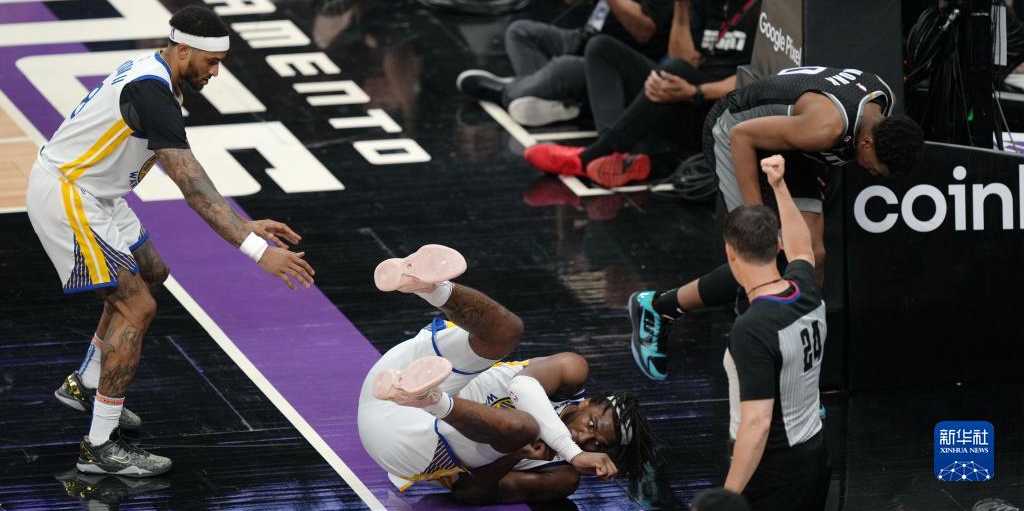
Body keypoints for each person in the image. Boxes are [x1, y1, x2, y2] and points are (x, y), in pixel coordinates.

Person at [28, 6, 314, 476]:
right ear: (182, 50)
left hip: (101, 193)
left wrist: (242, 224)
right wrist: (257, 250)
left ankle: (86, 383)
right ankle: (99, 447)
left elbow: (191, 175)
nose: (215, 72)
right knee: (136, 307)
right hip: (70, 195)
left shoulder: (158, 74)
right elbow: (191, 185)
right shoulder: (152, 91)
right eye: (210, 61)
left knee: (152, 273)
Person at [630, 66, 924, 380]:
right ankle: (659, 307)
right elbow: (742, 136)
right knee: (762, 255)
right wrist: (758, 220)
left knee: (812, 256)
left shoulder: (883, 101)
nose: (871, 173)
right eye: (875, 170)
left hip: (791, 143)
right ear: (866, 143)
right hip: (736, 130)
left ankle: (798, 364)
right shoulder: (827, 127)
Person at [358, 244, 656, 504]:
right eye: (591, 424)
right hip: (392, 380)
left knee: (523, 428)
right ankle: (425, 286)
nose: (585, 437)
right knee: (509, 331)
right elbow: (522, 386)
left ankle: (430, 399)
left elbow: (469, 495)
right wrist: (571, 450)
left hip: (406, 443)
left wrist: (512, 453)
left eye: (597, 445)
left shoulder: (562, 476)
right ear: (586, 402)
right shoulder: (571, 372)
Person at [526, 0, 766, 188]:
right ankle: (615, 151)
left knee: (673, 71)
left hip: (724, 110)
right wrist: (681, 1)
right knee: (601, 47)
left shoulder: (771, 9)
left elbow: (760, 77)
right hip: (687, 96)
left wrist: (696, 92)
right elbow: (683, 57)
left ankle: (590, 156)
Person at [720, 155, 830, 510]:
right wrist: (779, 186)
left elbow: (757, 424)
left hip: (771, 473)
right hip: (814, 457)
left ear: (730, 252)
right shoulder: (805, 289)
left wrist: (727, 496)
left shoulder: (751, 329)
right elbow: (803, 249)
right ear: (777, 245)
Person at [456, 0, 674, 127]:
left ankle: (506, 92)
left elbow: (644, 31)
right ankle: (543, 93)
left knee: (563, 66)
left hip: (613, 60)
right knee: (520, 32)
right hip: (586, 36)